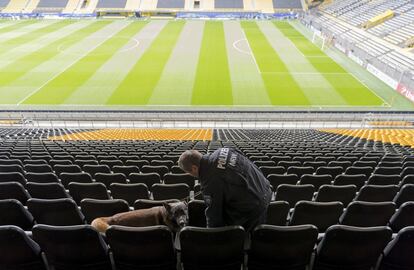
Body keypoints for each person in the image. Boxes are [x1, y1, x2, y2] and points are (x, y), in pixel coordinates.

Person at [178, 148, 272, 231]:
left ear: (194, 168)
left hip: (256, 207)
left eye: (189, 172)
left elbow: (214, 215)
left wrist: (211, 236)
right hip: (265, 188)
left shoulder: (210, 181)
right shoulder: (224, 150)